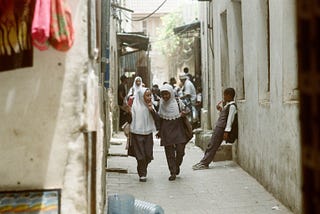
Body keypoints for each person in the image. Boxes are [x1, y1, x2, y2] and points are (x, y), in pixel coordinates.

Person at [192, 88, 237, 170]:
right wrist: (221, 109)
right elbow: (224, 116)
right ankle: (204, 161)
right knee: (211, 144)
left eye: (225, 95)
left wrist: (226, 132)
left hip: (222, 129)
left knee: (213, 145)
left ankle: (204, 163)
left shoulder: (232, 106)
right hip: (219, 127)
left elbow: (230, 120)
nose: (224, 97)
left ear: (229, 95)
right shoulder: (227, 105)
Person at [157, 84, 189, 181]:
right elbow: (160, 119)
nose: (165, 96)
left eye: (167, 94)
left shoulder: (178, 102)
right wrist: (159, 131)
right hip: (166, 130)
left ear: (171, 93)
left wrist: (184, 113)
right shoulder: (161, 104)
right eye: (163, 94)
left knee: (180, 151)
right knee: (169, 152)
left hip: (178, 128)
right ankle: (172, 172)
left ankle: (176, 165)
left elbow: (187, 110)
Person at [128, 87, 158, 182]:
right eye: (147, 95)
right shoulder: (135, 107)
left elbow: (157, 120)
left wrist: (151, 110)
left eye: (150, 95)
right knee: (140, 155)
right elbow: (130, 120)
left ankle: (143, 169)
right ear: (141, 96)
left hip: (148, 133)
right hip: (137, 133)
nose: (149, 98)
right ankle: (142, 173)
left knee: (148, 154)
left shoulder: (151, 106)